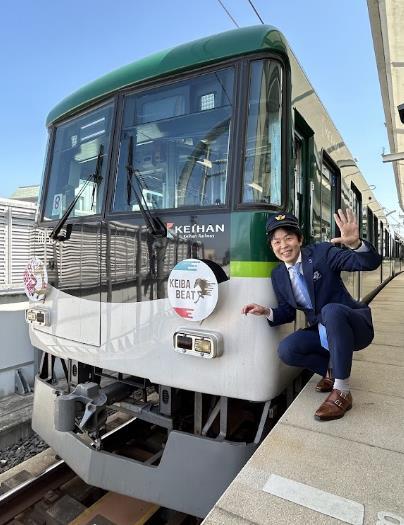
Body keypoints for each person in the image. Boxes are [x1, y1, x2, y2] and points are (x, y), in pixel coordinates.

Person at [241, 209, 382, 421]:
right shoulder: (278, 275)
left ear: (300, 239)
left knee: (330, 310)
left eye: (288, 238)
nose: (283, 246)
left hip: (353, 326)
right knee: (287, 350)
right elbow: (288, 313)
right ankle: (331, 372)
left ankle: (342, 392)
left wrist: (355, 244)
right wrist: (266, 311)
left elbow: (368, 263)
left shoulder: (322, 253)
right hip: (323, 331)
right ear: (272, 247)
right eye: (277, 242)